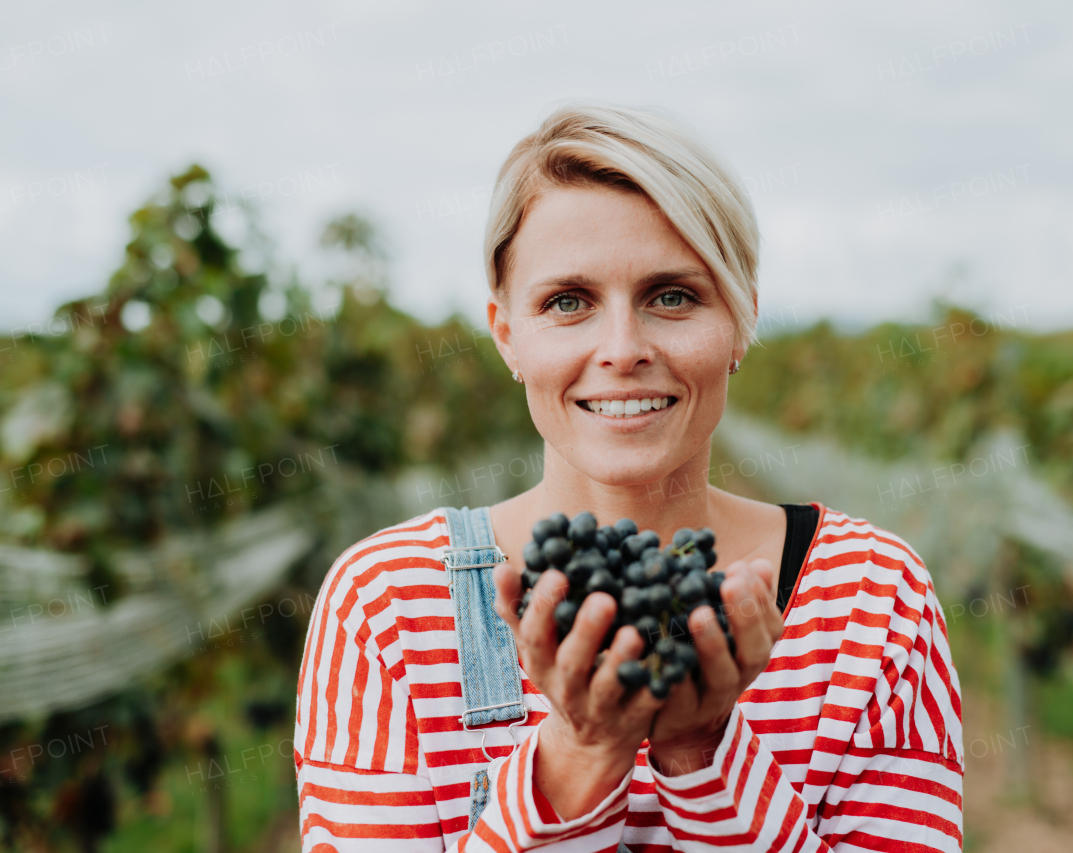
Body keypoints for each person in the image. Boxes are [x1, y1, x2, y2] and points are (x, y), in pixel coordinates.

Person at [294, 101, 963, 853]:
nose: (622, 347)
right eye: (568, 302)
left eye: (671, 296)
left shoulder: (873, 601)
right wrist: (576, 757)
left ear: (742, 320)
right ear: (507, 335)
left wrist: (706, 755)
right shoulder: (386, 608)